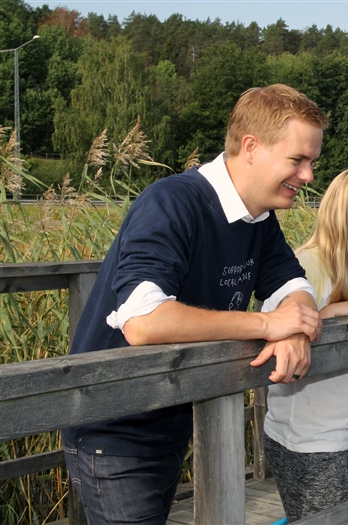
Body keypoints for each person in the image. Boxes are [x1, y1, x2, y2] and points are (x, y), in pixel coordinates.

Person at [61, 84, 328, 524]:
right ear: (251, 147)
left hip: (170, 415)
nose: (308, 176)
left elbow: (294, 287)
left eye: (312, 162)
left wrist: (296, 327)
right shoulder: (171, 202)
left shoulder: (258, 218)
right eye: (298, 160)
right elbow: (142, 321)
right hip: (113, 423)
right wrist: (266, 324)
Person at [263, 167, 348, 521]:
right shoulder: (307, 265)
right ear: (342, 218)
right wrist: (331, 312)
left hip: (340, 433)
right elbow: (274, 321)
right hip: (304, 439)